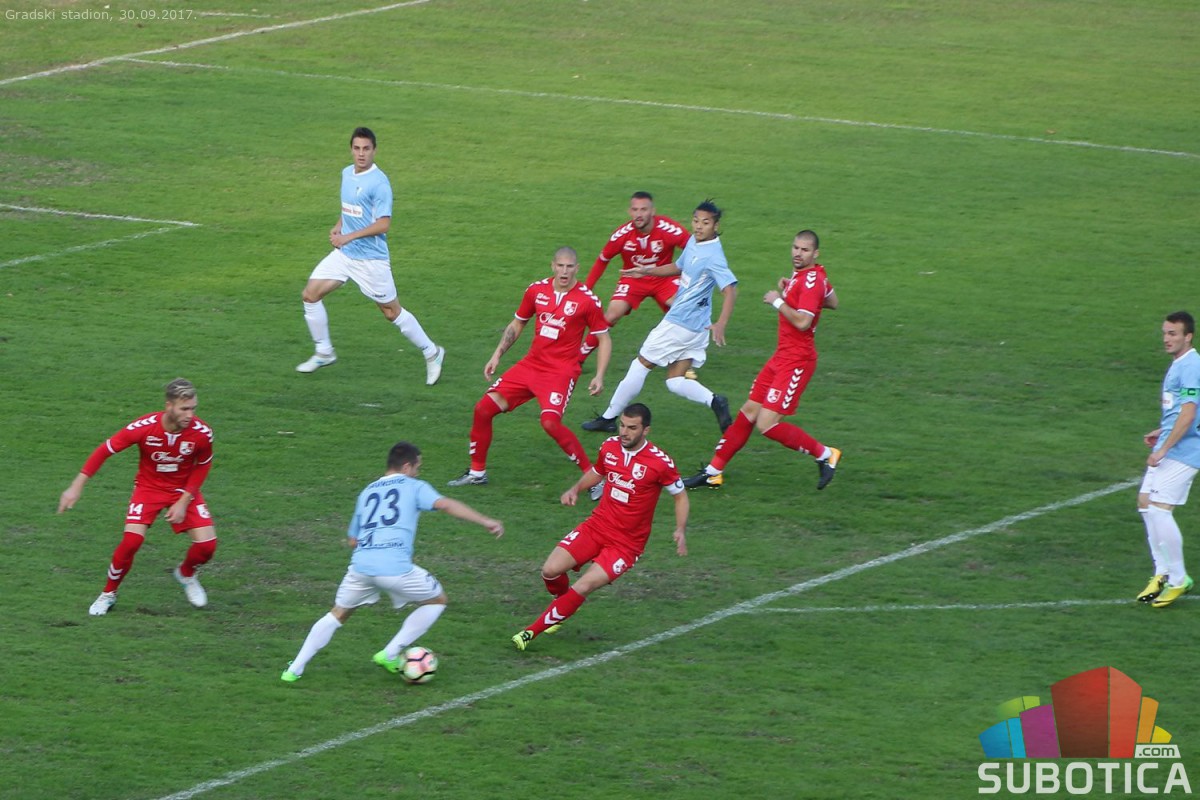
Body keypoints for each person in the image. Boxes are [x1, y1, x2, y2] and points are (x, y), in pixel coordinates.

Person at [281, 442, 503, 682]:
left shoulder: (367, 492)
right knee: (437, 600)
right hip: (395, 568)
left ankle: (294, 670)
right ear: (407, 467)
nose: (418, 472)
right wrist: (485, 521)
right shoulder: (414, 486)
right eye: (417, 467)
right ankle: (389, 654)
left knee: (338, 614)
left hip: (360, 567)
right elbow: (446, 505)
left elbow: (353, 540)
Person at [512, 403, 687, 651]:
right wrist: (576, 489)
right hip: (597, 526)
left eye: (632, 428)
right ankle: (563, 605)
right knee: (550, 570)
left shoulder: (660, 463)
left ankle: (530, 632)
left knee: (584, 585)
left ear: (646, 430)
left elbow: (680, 496)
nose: (624, 432)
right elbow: (598, 471)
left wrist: (680, 529)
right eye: (622, 425)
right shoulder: (609, 446)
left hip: (625, 544)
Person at [683, 230, 843, 491]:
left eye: (804, 250)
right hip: (781, 357)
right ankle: (713, 472)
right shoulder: (809, 276)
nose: (798, 254)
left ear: (816, 253)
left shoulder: (811, 281)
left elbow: (803, 322)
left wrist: (778, 301)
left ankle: (825, 454)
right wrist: (793, 293)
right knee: (749, 412)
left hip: (797, 361)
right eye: (795, 248)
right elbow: (833, 302)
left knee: (766, 424)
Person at [447, 247, 612, 487]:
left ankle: (594, 478)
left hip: (560, 371)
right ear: (552, 266)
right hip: (531, 366)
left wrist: (599, 375)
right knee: (483, 409)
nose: (564, 271)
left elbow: (604, 338)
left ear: (577, 268)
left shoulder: (587, 300)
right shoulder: (536, 290)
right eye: (560, 266)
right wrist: (497, 355)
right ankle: (477, 472)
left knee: (550, 423)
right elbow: (517, 323)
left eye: (569, 267)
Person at [296, 126, 445, 385]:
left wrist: (347, 237)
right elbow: (350, 208)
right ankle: (324, 351)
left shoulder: (379, 183)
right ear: (351, 150)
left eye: (366, 149)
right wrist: (339, 226)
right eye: (357, 148)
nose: (361, 154)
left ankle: (432, 352)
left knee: (391, 312)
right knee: (310, 295)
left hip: (370, 261)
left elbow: (383, 224)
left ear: (374, 150)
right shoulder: (346, 173)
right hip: (345, 256)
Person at [58, 378, 218, 616]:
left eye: (193, 408)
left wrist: (184, 501)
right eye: (184, 409)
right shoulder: (144, 427)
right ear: (169, 406)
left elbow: (203, 465)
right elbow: (104, 450)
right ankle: (108, 593)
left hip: (182, 489)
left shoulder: (202, 433)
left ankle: (186, 574)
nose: (190, 415)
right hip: (148, 488)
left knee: (207, 546)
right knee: (131, 542)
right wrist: (75, 487)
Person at [580, 199, 737, 434]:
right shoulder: (695, 242)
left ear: (716, 226)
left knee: (641, 364)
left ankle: (608, 417)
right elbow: (678, 266)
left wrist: (722, 323)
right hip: (697, 327)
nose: (698, 226)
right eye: (696, 221)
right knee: (675, 381)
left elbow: (730, 289)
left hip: (680, 323)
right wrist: (647, 271)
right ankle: (715, 401)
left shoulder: (713, 255)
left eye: (705, 223)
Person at [1135, 310, 1199, 608]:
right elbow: (1182, 411)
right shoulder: (1181, 364)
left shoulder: (1191, 366)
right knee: (1145, 502)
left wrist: (1163, 449)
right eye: (1164, 333)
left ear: (1188, 336)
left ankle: (1178, 579)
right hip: (1171, 442)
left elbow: (1189, 413)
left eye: (1173, 334)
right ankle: (1162, 572)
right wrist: (1161, 432)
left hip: (1186, 451)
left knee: (1160, 509)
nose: (1166, 339)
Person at [577, 191, 691, 361]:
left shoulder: (668, 229)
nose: (639, 214)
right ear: (630, 211)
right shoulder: (622, 235)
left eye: (643, 209)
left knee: (682, 311)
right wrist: (586, 290)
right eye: (635, 210)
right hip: (633, 278)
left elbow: (694, 250)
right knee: (612, 315)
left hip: (664, 277)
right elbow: (602, 260)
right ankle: (579, 357)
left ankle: (685, 361)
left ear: (652, 211)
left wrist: (686, 274)